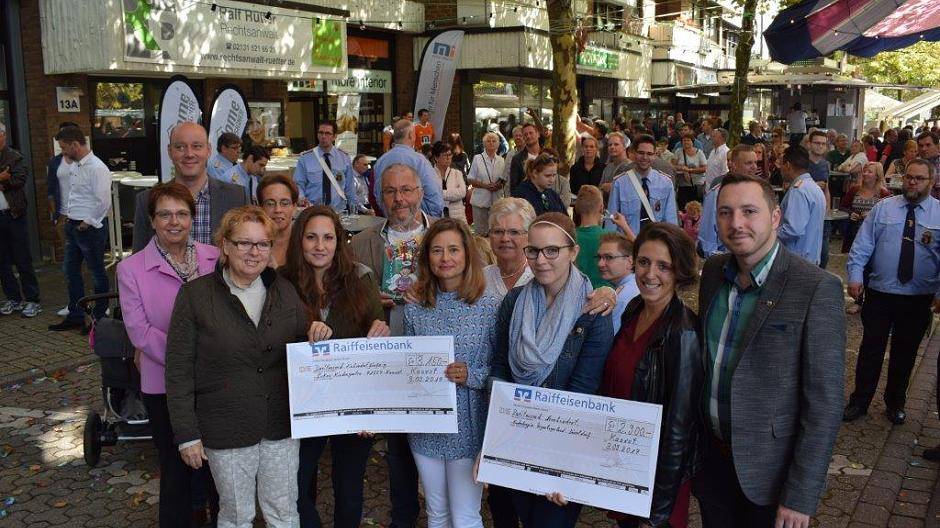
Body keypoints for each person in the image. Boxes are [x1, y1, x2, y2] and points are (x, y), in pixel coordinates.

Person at [696, 173, 844, 528]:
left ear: (775, 217)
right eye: (725, 212)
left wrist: (801, 494)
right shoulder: (714, 272)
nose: (736, 223)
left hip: (770, 476)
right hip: (712, 465)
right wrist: (611, 290)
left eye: (749, 211)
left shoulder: (816, 288)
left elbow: (824, 405)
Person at [166, 206, 317, 528]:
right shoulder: (195, 296)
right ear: (225, 245)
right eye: (244, 243)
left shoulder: (284, 290)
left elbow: (302, 344)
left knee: (284, 513)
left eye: (262, 244)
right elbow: (178, 371)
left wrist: (317, 335)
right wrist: (187, 434)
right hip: (226, 426)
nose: (254, 252)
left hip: (280, 424)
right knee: (236, 517)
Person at [490, 212, 614, 527]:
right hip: (516, 440)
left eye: (552, 250)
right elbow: (501, 368)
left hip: (564, 448)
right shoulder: (515, 301)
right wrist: (494, 444)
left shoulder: (593, 313)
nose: (541, 260)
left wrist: (559, 467)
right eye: (533, 251)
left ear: (573, 252)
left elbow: (582, 394)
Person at [280, 206, 390, 528]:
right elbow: (272, 337)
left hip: (352, 403)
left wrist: (381, 330)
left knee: (349, 489)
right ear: (299, 241)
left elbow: (375, 335)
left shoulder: (361, 277)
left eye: (328, 238)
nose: (320, 246)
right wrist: (305, 333)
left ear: (339, 241)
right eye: (311, 237)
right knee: (294, 486)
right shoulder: (282, 282)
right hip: (303, 404)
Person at [117, 182, 220, 528]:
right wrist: (191, 357)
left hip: (213, 382)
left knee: (218, 468)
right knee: (176, 470)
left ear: (192, 218)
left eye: (181, 214)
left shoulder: (215, 257)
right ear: (152, 220)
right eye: (165, 214)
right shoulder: (131, 270)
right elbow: (139, 332)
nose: (174, 222)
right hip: (163, 384)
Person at [601, 223, 701, 528]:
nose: (650, 273)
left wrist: (656, 514)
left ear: (679, 271)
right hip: (622, 461)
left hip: (657, 479)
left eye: (663, 266)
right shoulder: (634, 308)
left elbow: (679, 431)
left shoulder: (683, 333)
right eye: (644, 262)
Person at [349, 163, 431, 528]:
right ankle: (404, 517)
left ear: (420, 193)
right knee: (397, 449)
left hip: (432, 362)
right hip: (386, 364)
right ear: (380, 197)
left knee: (435, 446)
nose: (399, 199)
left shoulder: (445, 235)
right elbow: (345, 303)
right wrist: (368, 301)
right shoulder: (361, 242)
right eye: (391, 192)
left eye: (406, 190)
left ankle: (442, 514)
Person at [404, 218, 499, 528]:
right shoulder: (415, 307)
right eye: (437, 250)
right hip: (426, 426)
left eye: (454, 249)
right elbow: (407, 366)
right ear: (427, 257)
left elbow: (500, 370)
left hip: (469, 426)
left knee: (465, 515)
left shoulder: (489, 305)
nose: (445, 258)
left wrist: (470, 374)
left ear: (467, 254)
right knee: (437, 513)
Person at [843, 159, 940, 426]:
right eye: (909, 177)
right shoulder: (884, 208)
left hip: (918, 298)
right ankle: (859, 401)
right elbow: (863, 244)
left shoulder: (938, 214)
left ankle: (895, 403)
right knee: (870, 349)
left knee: (904, 353)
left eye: (919, 178)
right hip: (881, 293)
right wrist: (855, 275)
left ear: (931, 182)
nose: (912, 182)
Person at [133, 122, 247, 252]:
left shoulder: (237, 197)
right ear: (170, 151)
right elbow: (139, 258)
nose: (189, 154)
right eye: (180, 147)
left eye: (197, 146)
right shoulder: (147, 200)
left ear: (208, 150)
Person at [48, 126, 111, 332]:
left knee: (96, 273)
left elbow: (104, 201)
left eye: (64, 147)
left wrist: (87, 222)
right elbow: (75, 195)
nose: (63, 152)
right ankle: (76, 315)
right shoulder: (75, 166)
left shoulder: (97, 167)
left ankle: (99, 319)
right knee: (70, 271)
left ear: (75, 145)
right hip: (74, 225)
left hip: (89, 229)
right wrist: (69, 218)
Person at [0, 122, 41, 318]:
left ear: (3, 135)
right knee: (2, 261)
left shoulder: (14, 157)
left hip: (13, 214)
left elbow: (19, 180)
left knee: (22, 258)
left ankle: (32, 299)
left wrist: (6, 180)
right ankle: (13, 298)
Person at [605, 135, 679, 236]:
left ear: (654, 155)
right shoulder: (620, 183)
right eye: (641, 153)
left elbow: (671, 221)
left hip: (655, 241)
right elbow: (612, 220)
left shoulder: (666, 183)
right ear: (633, 153)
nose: (645, 157)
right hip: (628, 242)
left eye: (649, 154)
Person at [698, 145, 758, 267]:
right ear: (734, 165)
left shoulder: (759, 193)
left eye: (755, 162)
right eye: (748, 163)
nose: (754, 167)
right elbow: (708, 240)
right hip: (727, 262)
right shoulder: (717, 194)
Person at [373, 119, 446, 218]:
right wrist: (431, 220)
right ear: (411, 135)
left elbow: (378, 196)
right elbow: (435, 197)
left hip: (392, 219)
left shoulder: (380, 162)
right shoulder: (419, 161)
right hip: (417, 220)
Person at [293, 121, 359, 213]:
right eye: (321, 133)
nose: (323, 136)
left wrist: (353, 210)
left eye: (328, 133)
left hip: (337, 211)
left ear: (334, 136)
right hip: (312, 210)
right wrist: (301, 198)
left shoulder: (344, 158)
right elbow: (298, 184)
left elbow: (350, 187)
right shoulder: (305, 158)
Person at [777, 145, 826, 265]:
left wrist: (769, 233)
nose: (780, 169)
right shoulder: (813, 187)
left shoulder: (798, 190)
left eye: (781, 164)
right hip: (810, 258)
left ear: (787, 165)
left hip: (797, 260)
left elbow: (793, 230)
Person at [839, 162, 891, 255]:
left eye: (870, 172)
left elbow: (889, 214)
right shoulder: (854, 190)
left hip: (874, 235)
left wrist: (872, 215)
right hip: (854, 233)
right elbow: (842, 207)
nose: (865, 174)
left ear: (877, 176)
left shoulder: (884, 193)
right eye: (864, 171)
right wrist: (850, 214)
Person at [595, 232, 640, 335]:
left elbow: (609, 339)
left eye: (609, 257)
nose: (600, 264)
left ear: (630, 261)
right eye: (599, 257)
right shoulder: (635, 286)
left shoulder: (622, 298)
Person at [467, 132, 506, 235]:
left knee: (496, 231)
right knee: (481, 233)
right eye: (488, 141)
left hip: (496, 201)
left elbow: (504, 179)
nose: (491, 143)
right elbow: (470, 179)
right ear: (484, 144)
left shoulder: (501, 160)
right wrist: (485, 186)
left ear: (498, 144)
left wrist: (498, 185)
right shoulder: (477, 158)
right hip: (480, 201)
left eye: (494, 141)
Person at [257, 174, 300, 268]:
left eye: (284, 203)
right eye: (270, 204)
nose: (278, 210)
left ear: (294, 208)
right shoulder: (252, 245)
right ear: (260, 208)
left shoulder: (305, 242)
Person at [573, 185, 609, 288]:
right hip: (606, 292)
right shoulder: (610, 238)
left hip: (576, 292)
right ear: (601, 207)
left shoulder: (569, 237)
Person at [432, 142, 467, 222]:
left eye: (450, 154)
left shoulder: (457, 173)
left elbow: (462, 192)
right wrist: (452, 193)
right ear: (436, 158)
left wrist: (440, 193)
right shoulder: (430, 174)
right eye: (445, 155)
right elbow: (431, 194)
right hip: (437, 216)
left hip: (457, 217)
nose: (448, 158)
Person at [672, 134, 707, 207]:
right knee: (683, 206)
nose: (686, 142)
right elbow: (672, 166)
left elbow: (704, 168)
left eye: (688, 140)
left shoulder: (699, 152)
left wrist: (690, 170)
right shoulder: (678, 151)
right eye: (684, 140)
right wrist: (682, 168)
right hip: (682, 184)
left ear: (692, 142)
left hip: (697, 184)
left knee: (695, 207)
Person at [508, 123, 542, 192]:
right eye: (525, 134)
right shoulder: (517, 159)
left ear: (538, 134)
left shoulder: (547, 154)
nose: (528, 136)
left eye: (531, 133)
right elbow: (514, 186)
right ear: (523, 138)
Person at [598, 132, 631, 196]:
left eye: (616, 144)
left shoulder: (631, 167)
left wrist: (614, 187)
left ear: (624, 147)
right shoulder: (608, 168)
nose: (612, 147)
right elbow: (600, 188)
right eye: (610, 145)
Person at [915, 132, 940, 199]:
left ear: (938, 146)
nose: (923, 149)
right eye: (921, 146)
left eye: (928, 145)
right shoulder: (914, 165)